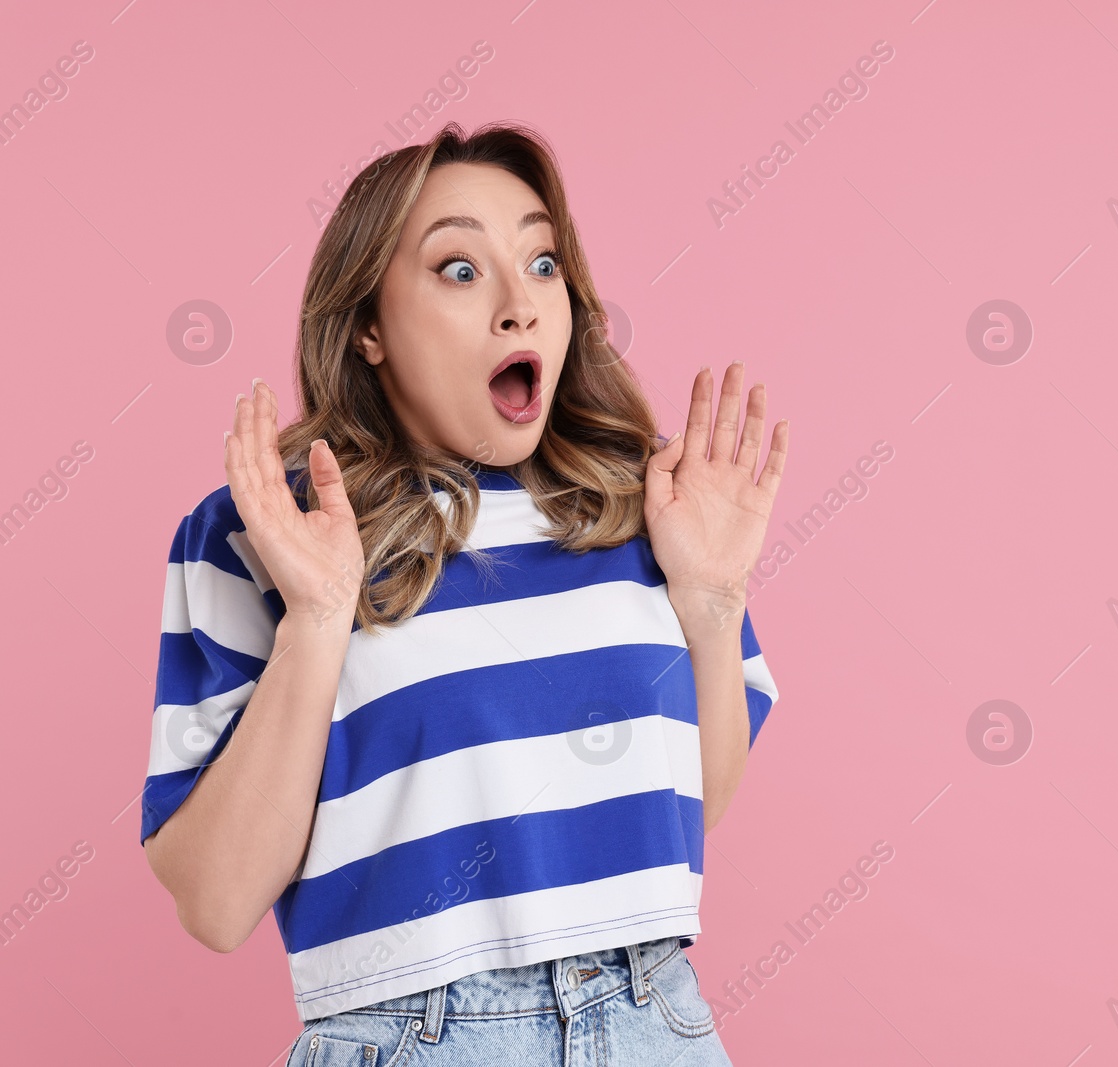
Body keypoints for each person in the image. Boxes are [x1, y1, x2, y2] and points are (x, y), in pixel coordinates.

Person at [139, 120, 788, 1065]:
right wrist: (319, 619)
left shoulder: (635, 505)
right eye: (459, 269)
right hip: (417, 1035)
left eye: (541, 262)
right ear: (367, 326)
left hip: (656, 1017)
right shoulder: (264, 530)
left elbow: (693, 807)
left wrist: (713, 594)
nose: (520, 305)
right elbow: (214, 900)